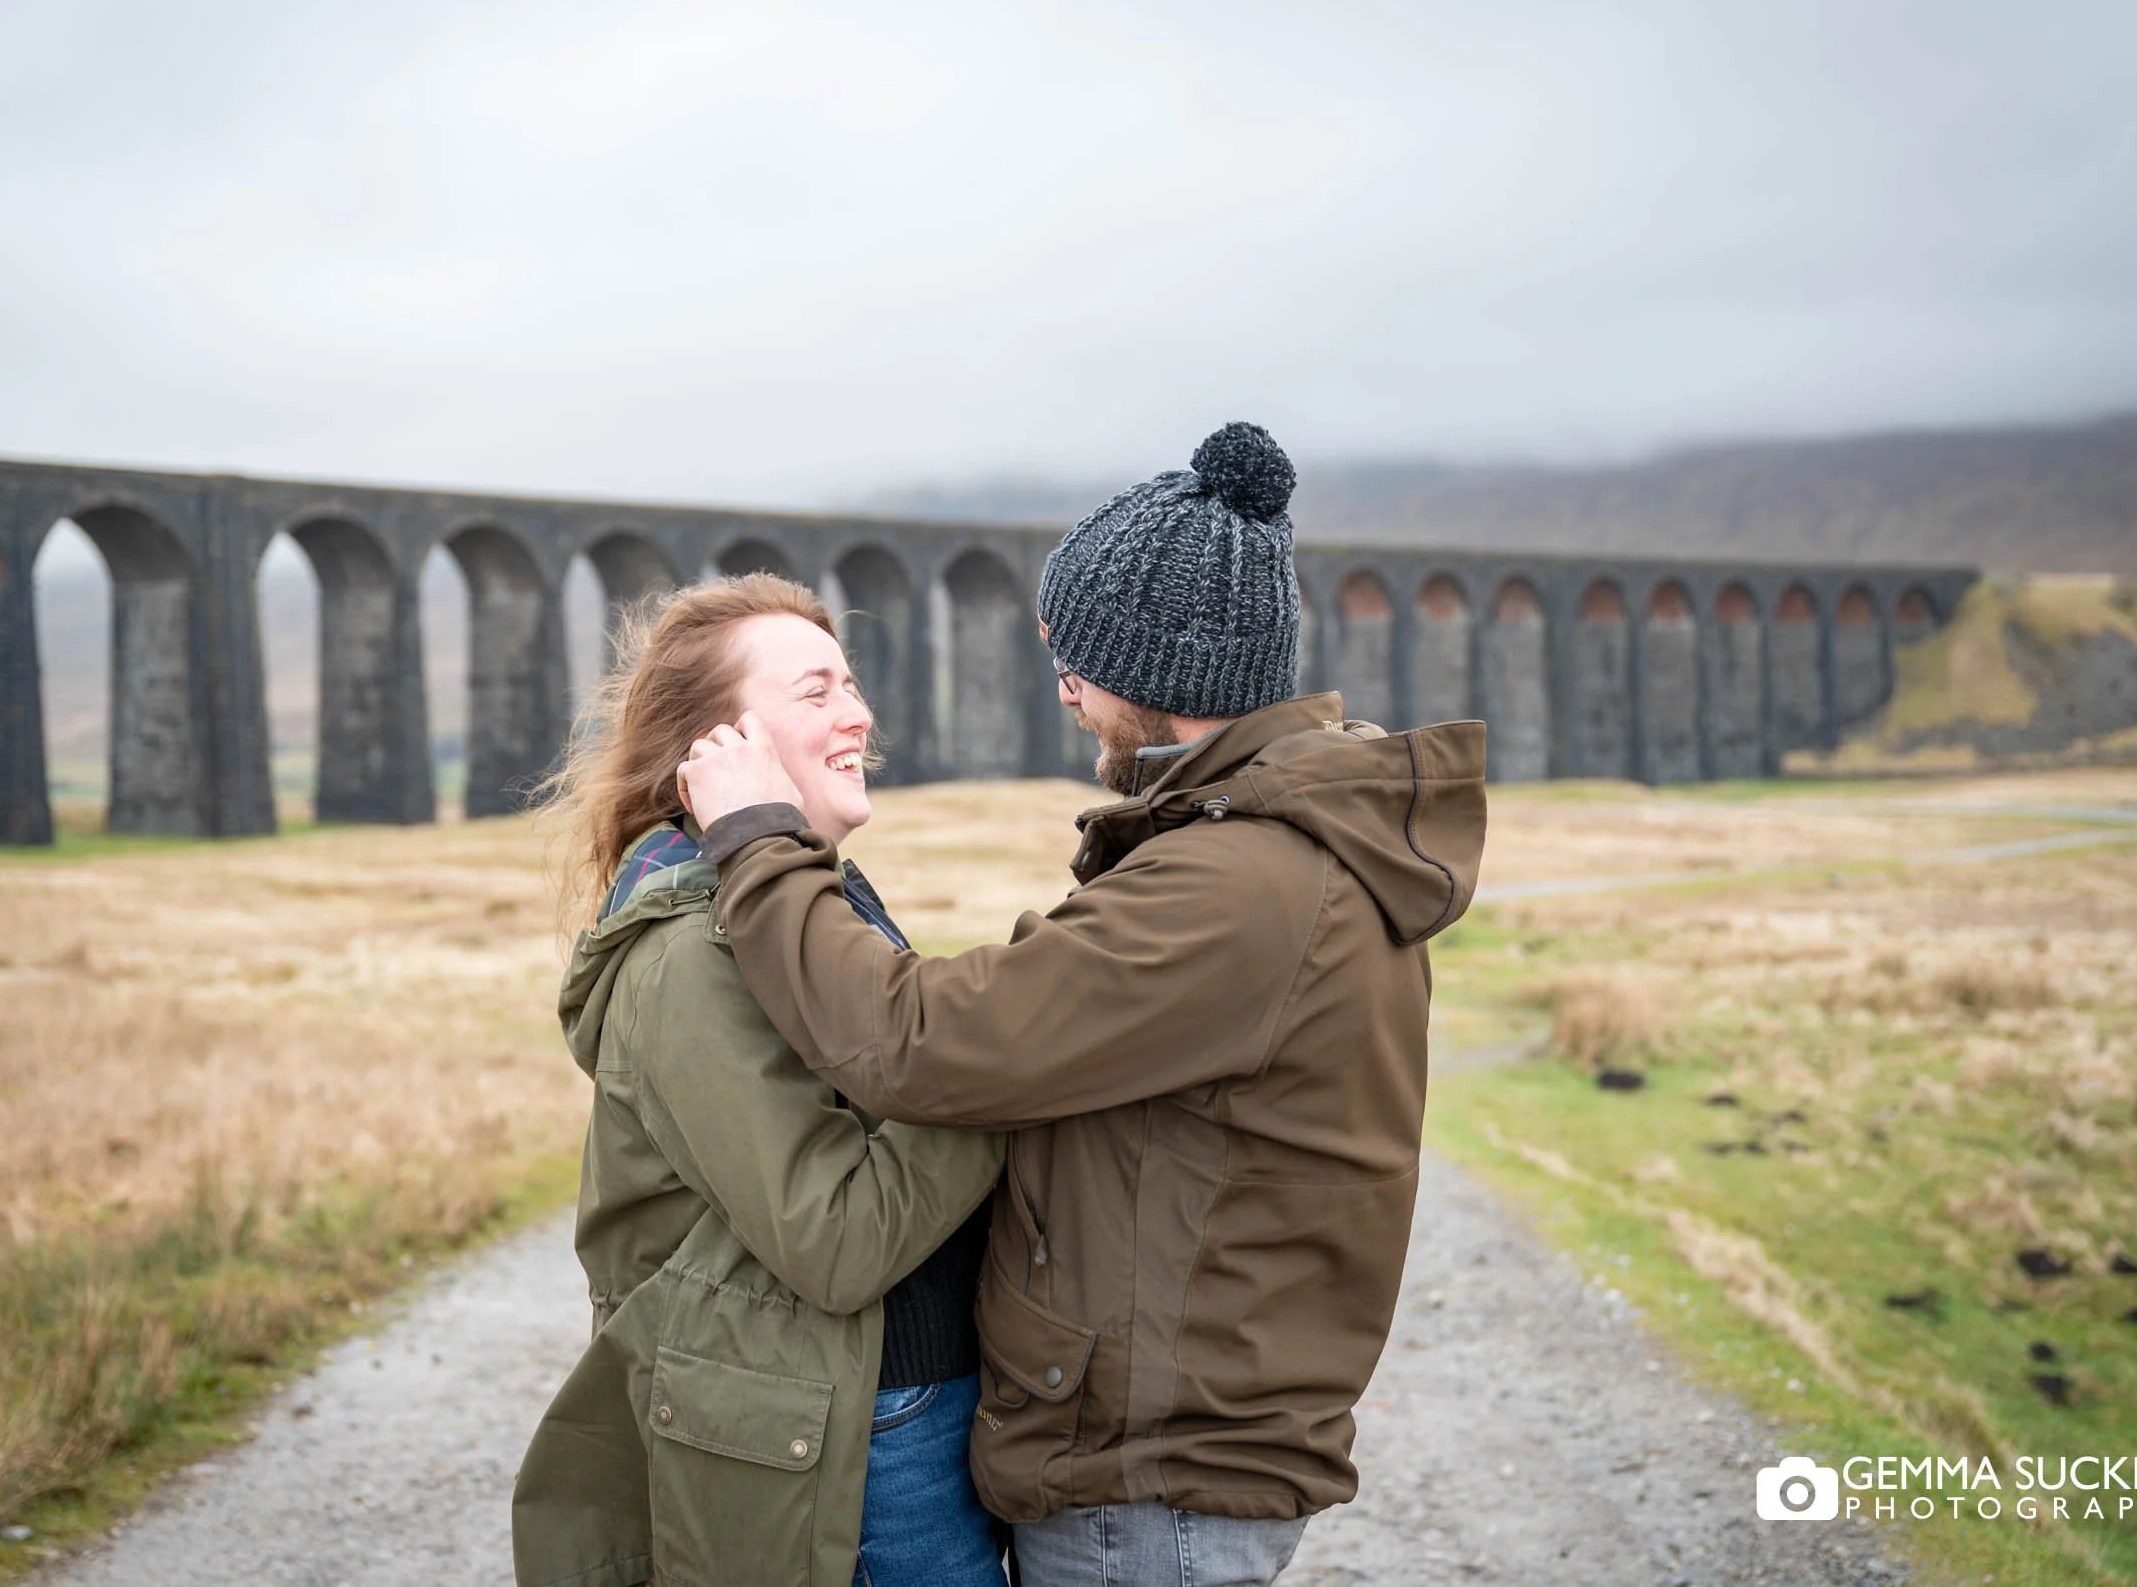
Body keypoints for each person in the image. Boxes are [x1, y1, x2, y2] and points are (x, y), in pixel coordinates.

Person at [679, 423, 1488, 1587]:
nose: (1062, 688)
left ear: (1163, 677)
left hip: (1149, 1488)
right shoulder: (1256, 858)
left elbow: (916, 1043)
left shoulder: (1238, 888)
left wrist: (756, 841)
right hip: (1155, 1462)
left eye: (1077, 661)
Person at [511, 575, 1007, 1587]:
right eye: (816, 692)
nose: (859, 714)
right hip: (855, 1441)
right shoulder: (689, 955)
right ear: (714, 748)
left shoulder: (798, 905)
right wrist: (1009, 1064)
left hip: (887, 1412)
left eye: (852, 684)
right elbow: (833, 1238)